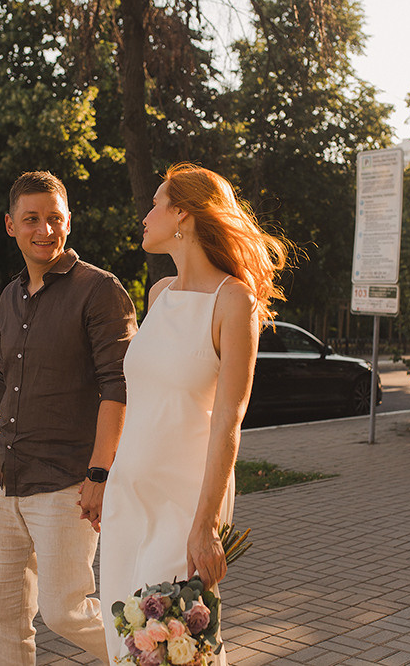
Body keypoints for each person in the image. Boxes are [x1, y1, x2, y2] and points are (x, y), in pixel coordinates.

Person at [98, 163, 288, 664]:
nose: (146, 214)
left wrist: (204, 525)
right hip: (128, 495)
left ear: (182, 213)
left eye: (156, 202)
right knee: (124, 645)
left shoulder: (234, 302)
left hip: (185, 503)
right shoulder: (159, 295)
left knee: (175, 648)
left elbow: (229, 421)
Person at [0, 171, 137, 665]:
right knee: (1, 614)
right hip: (7, 479)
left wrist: (100, 474)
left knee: (64, 610)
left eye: (54, 219)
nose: (44, 230)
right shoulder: (9, 297)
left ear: (69, 221)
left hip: (66, 482)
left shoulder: (99, 290)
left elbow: (120, 387)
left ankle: (151, 654)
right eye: (31, 220)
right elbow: (2, 387)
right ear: (10, 225)